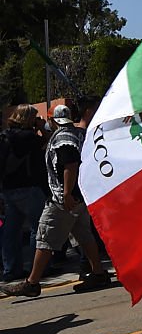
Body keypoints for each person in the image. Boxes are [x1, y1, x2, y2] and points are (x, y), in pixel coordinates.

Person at [0, 104, 109, 298]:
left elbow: (70, 164)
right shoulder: (77, 133)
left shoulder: (62, 138)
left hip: (62, 199)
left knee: (45, 237)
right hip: (78, 196)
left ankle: (32, 282)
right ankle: (98, 272)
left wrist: (66, 193)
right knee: (84, 235)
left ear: (52, 120)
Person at [0, 105, 47, 282]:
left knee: (11, 230)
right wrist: (42, 128)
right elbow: (47, 143)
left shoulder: (5, 136)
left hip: (8, 189)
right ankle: (39, 268)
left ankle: (11, 268)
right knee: (39, 228)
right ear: (29, 119)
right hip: (29, 187)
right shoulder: (29, 137)